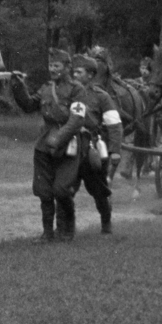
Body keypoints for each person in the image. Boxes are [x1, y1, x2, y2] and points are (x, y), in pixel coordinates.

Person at [12, 48, 93, 242]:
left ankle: (67, 229)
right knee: (44, 191)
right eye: (50, 65)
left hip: (69, 146)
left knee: (62, 190)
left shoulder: (77, 90)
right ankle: (47, 233)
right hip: (44, 144)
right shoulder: (47, 88)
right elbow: (29, 105)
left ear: (67, 67)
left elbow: (77, 119)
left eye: (56, 65)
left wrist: (60, 137)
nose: (52, 69)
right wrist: (18, 87)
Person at [70, 54, 125, 234]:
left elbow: (114, 124)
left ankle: (106, 222)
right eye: (73, 71)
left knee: (100, 192)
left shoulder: (102, 97)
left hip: (92, 150)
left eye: (79, 72)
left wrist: (115, 150)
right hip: (69, 147)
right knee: (65, 190)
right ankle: (66, 228)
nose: (74, 75)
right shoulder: (67, 92)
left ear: (90, 75)